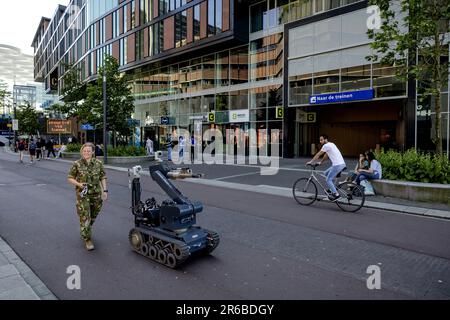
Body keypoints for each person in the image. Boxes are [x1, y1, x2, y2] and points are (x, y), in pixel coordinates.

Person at [67, 143, 108, 251]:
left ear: (93, 152)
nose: (86, 153)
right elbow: (70, 178)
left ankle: (85, 228)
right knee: (85, 216)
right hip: (83, 195)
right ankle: (88, 239)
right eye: (84, 151)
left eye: (88, 151)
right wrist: (79, 184)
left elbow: (103, 177)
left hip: (96, 194)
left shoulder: (98, 163)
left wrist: (105, 190)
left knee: (93, 215)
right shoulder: (77, 164)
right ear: (82, 152)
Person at [307, 134, 346, 201]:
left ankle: (336, 194)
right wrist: (320, 162)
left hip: (337, 165)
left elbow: (318, 154)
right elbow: (326, 155)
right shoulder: (332, 144)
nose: (320, 141)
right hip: (341, 164)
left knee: (328, 179)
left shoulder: (326, 145)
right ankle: (332, 189)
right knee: (325, 173)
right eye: (320, 140)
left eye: (321, 140)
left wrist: (311, 161)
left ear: (325, 139)